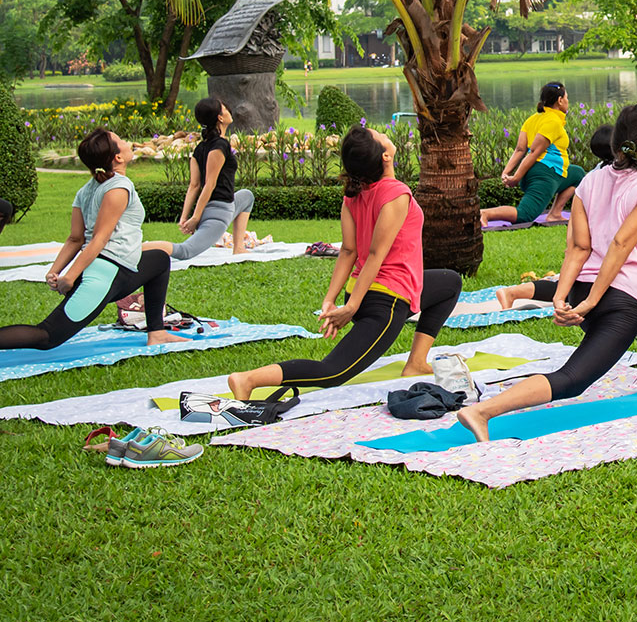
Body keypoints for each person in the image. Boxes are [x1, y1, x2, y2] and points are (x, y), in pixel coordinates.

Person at [456, 105, 637, 441]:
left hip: (582, 290)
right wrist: (590, 303)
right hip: (618, 300)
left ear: (617, 143)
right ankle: (480, 412)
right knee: (572, 380)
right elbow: (621, 244)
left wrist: (562, 296)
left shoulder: (590, 179)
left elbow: (577, 248)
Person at [227, 126, 461, 397]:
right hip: (385, 300)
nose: (384, 134)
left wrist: (333, 298)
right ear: (385, 156)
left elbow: (348, 252)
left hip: (369, 290)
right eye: (380, 136)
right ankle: (248, 380)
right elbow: (373, 254)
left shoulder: (353, 194)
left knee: (450, 282)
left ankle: (416, 362)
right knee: (333, 372)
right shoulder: (396, 194)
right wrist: (349, 306)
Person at [0, 129, 185, 350]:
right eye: (122, 139)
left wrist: (55, 271)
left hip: (113, 269)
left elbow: (75, 239)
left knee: (159, 260)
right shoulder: (118, 188)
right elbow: (98, 239)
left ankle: (157, 332)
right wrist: (68, 276)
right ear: (117, 157)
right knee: (47, 336)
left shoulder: (86, 190)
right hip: (104, 275)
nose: (127, 142)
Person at [154, 97, 255, 259]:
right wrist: (193, 218)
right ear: (220, 118)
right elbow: (208, 184)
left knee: (247, 196)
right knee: (184, 252)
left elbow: (194, 186)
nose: (229, 111)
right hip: (218, 213)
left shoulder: (200, 148)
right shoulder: (220, 145)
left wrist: (184, 217)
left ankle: (239, 247)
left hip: (224, 206)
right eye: (225, 109)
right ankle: (136, 250)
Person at [481, 81, 585, 226]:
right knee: (525, 215)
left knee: (578, 174)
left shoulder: (532, 119)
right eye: (567, 98)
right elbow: (534, 152)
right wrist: (515, 177)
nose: (568, 101)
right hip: (545, 174)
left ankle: (555, 214)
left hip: (549, 172)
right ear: (560, 100)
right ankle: (485, 214)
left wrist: (505, 172)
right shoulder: (552, 122)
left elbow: (519, 150)